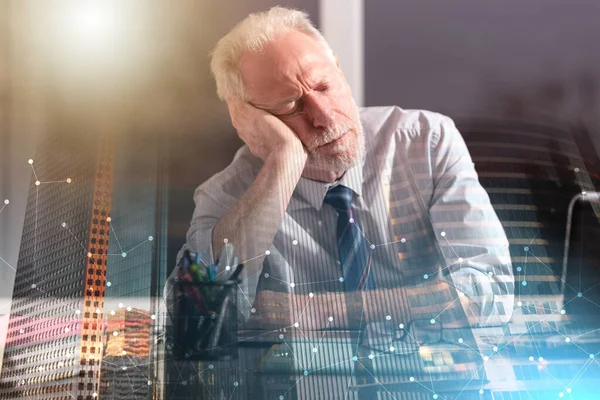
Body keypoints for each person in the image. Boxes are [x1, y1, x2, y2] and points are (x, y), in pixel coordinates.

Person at [177, 6, 514, 331]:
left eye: (324, 87)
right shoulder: (226, 197)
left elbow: (491, 294)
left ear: (339, 70)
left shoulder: (426, 142)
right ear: (248, 120)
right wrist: (283, 161)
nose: (323, 116)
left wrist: (329, 310)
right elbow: (196, 320)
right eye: (290, 107)